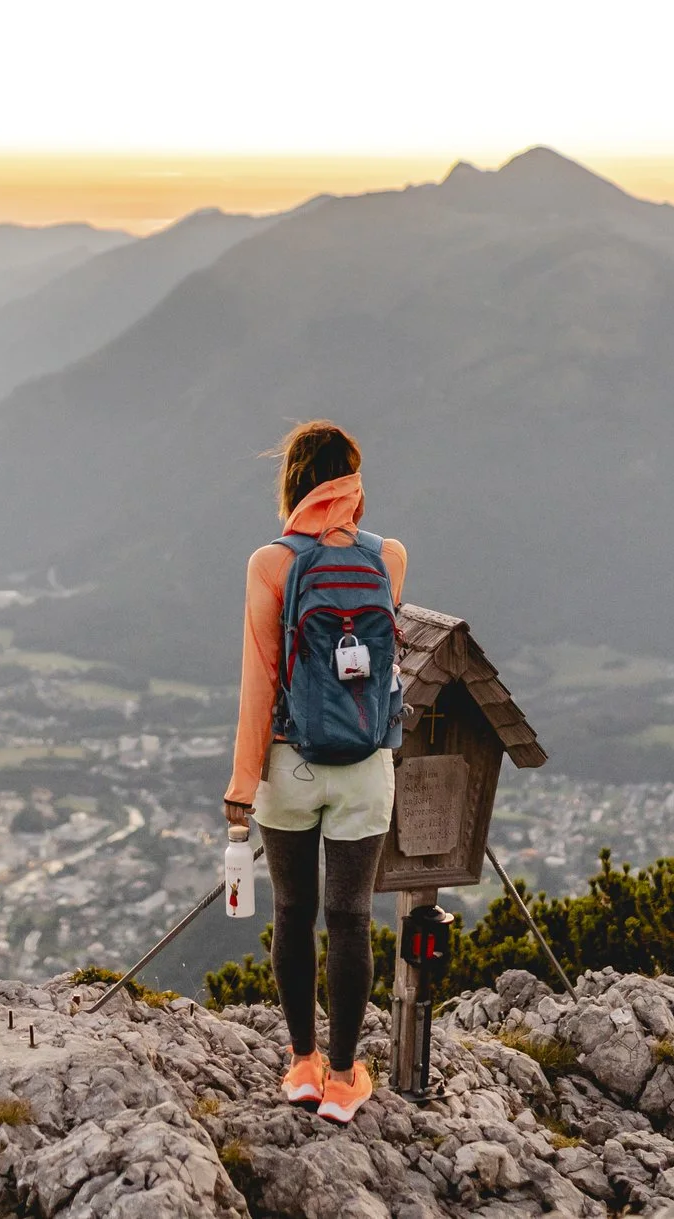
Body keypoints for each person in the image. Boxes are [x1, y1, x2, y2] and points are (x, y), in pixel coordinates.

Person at [225, 420, 404, 1124]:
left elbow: (259, 681)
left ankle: (300, 1064)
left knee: (295, 914)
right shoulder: (387, 556)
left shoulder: (270, 563)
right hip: (364, 765)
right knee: (351, 918)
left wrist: (242, 787)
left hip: (289, 763)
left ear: (294, 481)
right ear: (354, 483)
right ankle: (342, 1077)